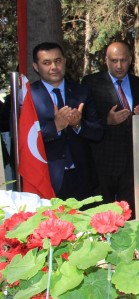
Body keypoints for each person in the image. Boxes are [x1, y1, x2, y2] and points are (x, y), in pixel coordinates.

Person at [21, 43, 103, 199]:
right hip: (47, 179)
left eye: (58, 61)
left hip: (83, 179)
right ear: (36, 67)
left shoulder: (82, 91)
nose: (54, 67)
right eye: (46, 63)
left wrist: (78, 125)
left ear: (64, 61)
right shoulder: (29, 96)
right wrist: (55, 127)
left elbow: (98, 132)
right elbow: (24, 140)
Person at [82, 41, 139, 208]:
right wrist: (107, 121)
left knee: (130, 214)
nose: (119, 65)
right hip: (102, 163)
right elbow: (83, 123)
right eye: (114, 61)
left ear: (131, 59)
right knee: (102, 214)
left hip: (132, 163)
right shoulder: (91, 83)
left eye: (123, 60)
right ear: (106, 60)